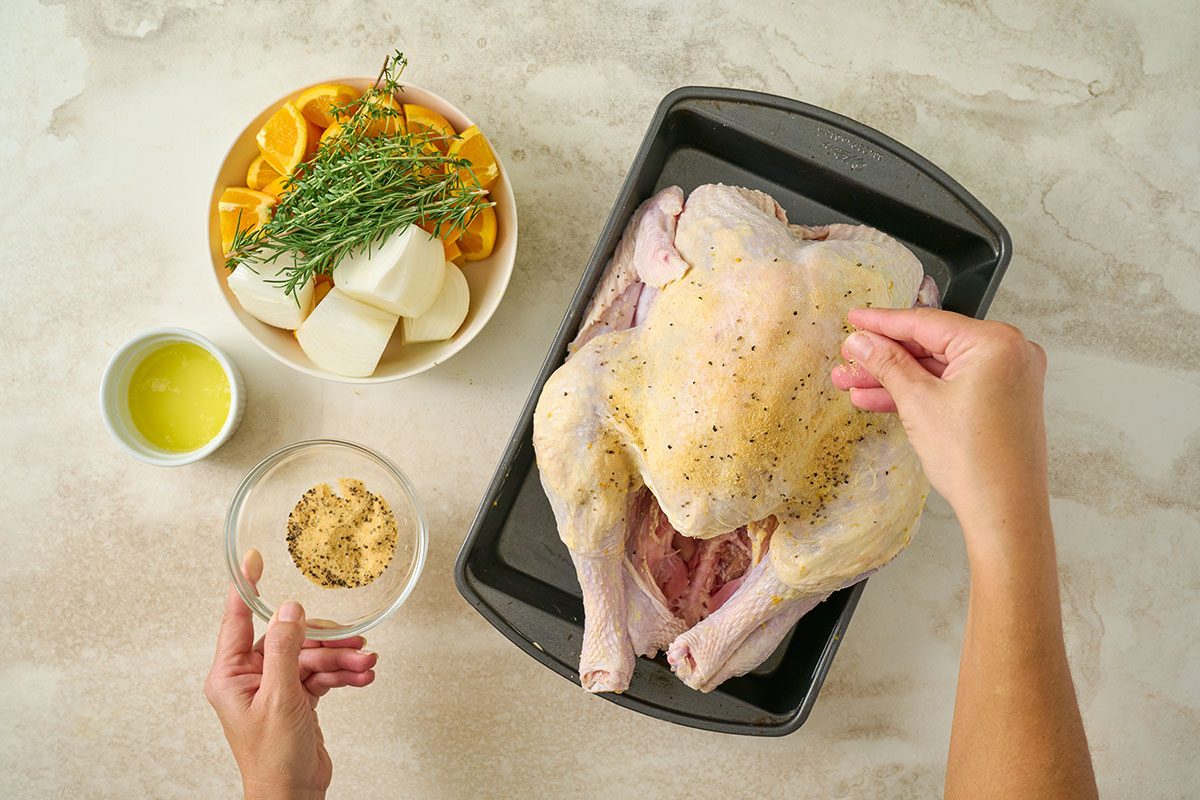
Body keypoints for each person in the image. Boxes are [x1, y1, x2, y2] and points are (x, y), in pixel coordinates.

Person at [206, 308, 1099, 800]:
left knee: (585, 394)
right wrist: (1006, 501)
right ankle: (712, 607)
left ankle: (632, 604)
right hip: (814, 400)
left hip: (732, 386)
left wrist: (277, 794)